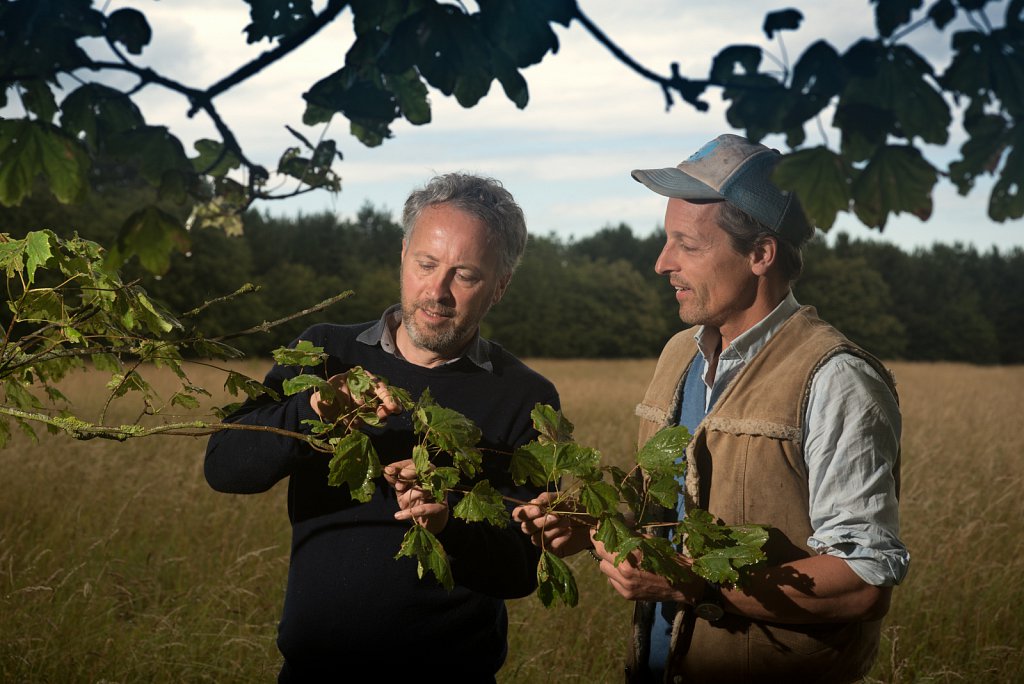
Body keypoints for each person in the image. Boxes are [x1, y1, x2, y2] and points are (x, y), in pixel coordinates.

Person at [513, 134, 908, 683]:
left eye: (687, 246)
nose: (661, 263)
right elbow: (669, 501)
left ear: (760, 254)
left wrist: (690, 583)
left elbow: (862, 582)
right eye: (665, 241)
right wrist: (594, 524)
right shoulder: (680, 353)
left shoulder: (836, 379)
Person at [205, 172, 559, 682]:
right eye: (426, 264)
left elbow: (523, 568)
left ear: (499, 286)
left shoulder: (526, 396)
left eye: (465, 275)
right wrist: (315, 410)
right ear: (402, 255)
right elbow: (224, 467)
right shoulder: (325, 352)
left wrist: (449, 525)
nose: (436, 291)